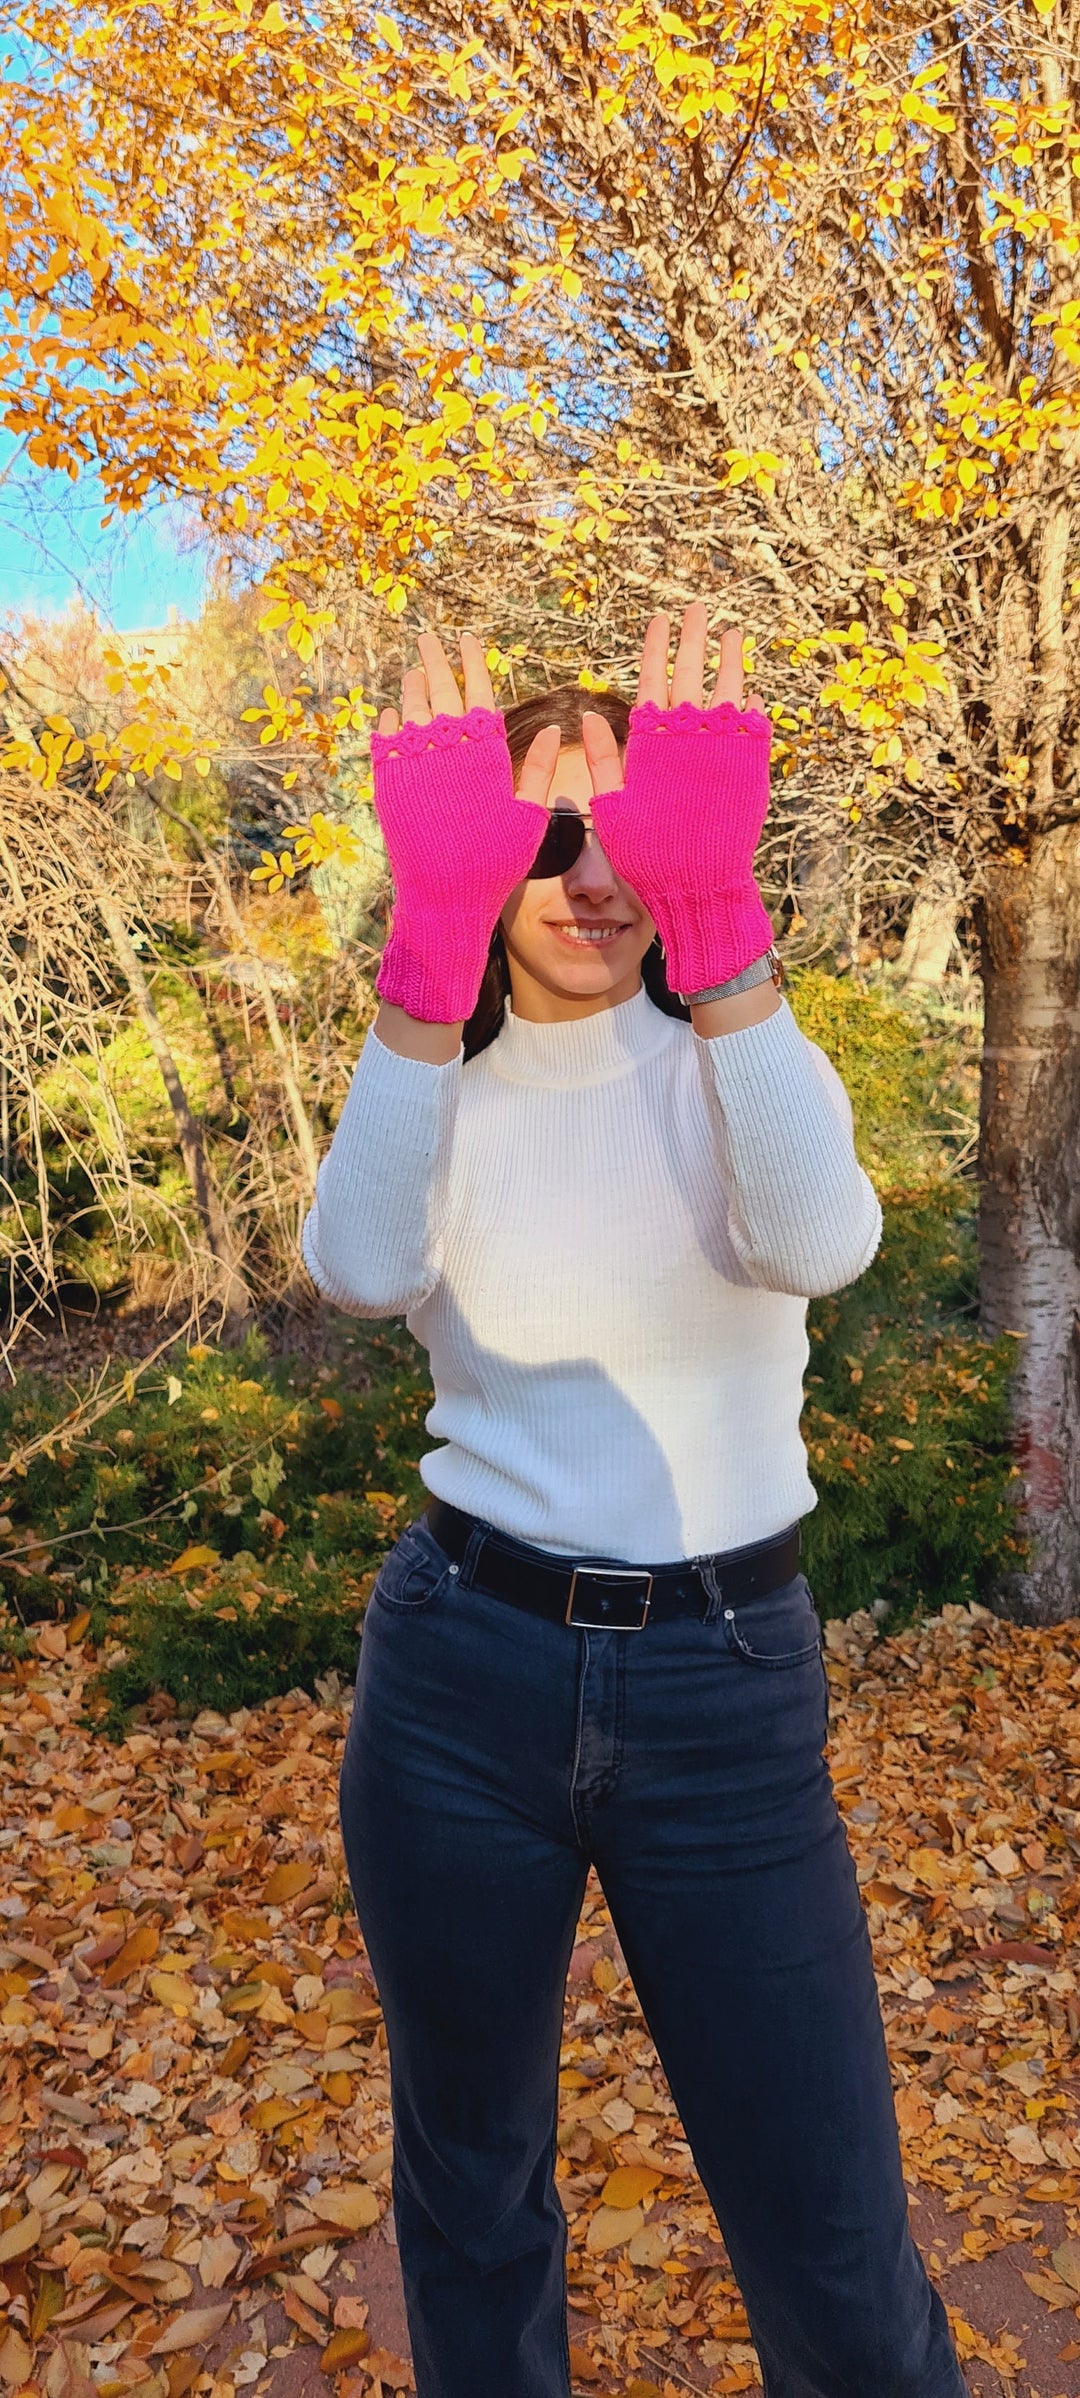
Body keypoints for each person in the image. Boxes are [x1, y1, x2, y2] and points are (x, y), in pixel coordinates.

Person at [302, 603, 969, 2398]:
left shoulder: (739, 1064)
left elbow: (823, 1235)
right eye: (536, 839)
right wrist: (427, 943)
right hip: (462, 1679)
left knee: (831, 2234)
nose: (585, 878)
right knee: (474, 2186)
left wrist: (722, 923)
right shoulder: (428, 1087)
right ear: (472, 856)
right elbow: (360, 1264)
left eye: (621, 834)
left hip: (723, 1687)